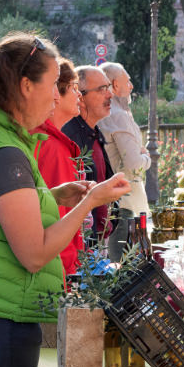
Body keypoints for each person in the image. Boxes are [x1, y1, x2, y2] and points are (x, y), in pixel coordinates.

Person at [0, 34, 131, 367]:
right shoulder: (5, 151)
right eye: (53, 85)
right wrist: (88, 204)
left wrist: (54, 195)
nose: (57, 97)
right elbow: (35, 253)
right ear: (26, 86)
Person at [29, 57, 85, 276]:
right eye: (73, 88)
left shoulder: (43, 138)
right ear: (56, 95)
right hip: (55, 270)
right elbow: (57, 218)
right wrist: (69, 273)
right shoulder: (51, 146)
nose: (79, 95)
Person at [98, 62, 151, 259]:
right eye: (127, 81)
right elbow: (134, 165)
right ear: (114, 84)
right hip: (127, 202)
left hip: (114, 199)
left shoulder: (104, 115)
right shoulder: (118, 116)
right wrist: (146, 158)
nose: (131, 86)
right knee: (128, 267)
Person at [62, 66, 117, 250]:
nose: (109, 94)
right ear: (81, 97)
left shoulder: (93, 131)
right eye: (101, 89)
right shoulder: (70, 137)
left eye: (108, 87)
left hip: (98, 242)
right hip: (82, 247)